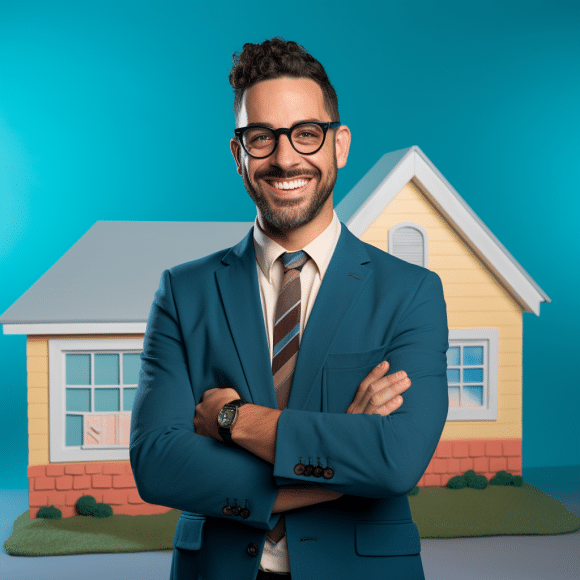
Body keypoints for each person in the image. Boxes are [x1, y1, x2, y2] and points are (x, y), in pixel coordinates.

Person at [130, 37, 449, 580]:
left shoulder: (410, 292)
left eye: (306, 134)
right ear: (238, 154)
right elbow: (158, 465)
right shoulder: (184, 293)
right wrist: (342, 455)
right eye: (261, 138)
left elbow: (396, 460)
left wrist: (232, 420)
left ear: (339, 145)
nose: (284, 158)